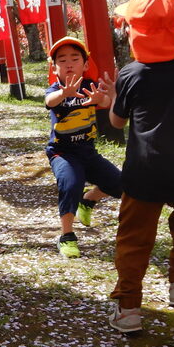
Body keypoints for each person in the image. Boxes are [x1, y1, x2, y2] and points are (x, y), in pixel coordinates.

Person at [107, 0, 174, 333]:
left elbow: (117, 122)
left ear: (135, 31)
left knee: (135, 239)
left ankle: (128, 308)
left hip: (145, 169)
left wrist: (112, 100)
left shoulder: (131, 74)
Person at [44, 37, 122, 259]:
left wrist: (102, 98)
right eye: (62, 60)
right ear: (54, 67)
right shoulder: (55, 89)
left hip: (87, 151)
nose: (69, 64)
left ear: (85, 65)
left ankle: (89, 200)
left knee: (120, 185)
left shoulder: (90, 86)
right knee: (71, 184)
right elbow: (50, 101)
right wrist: (64, 94)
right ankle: (66, 236)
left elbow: (106, 104)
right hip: (62, 153)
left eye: (75, 59)